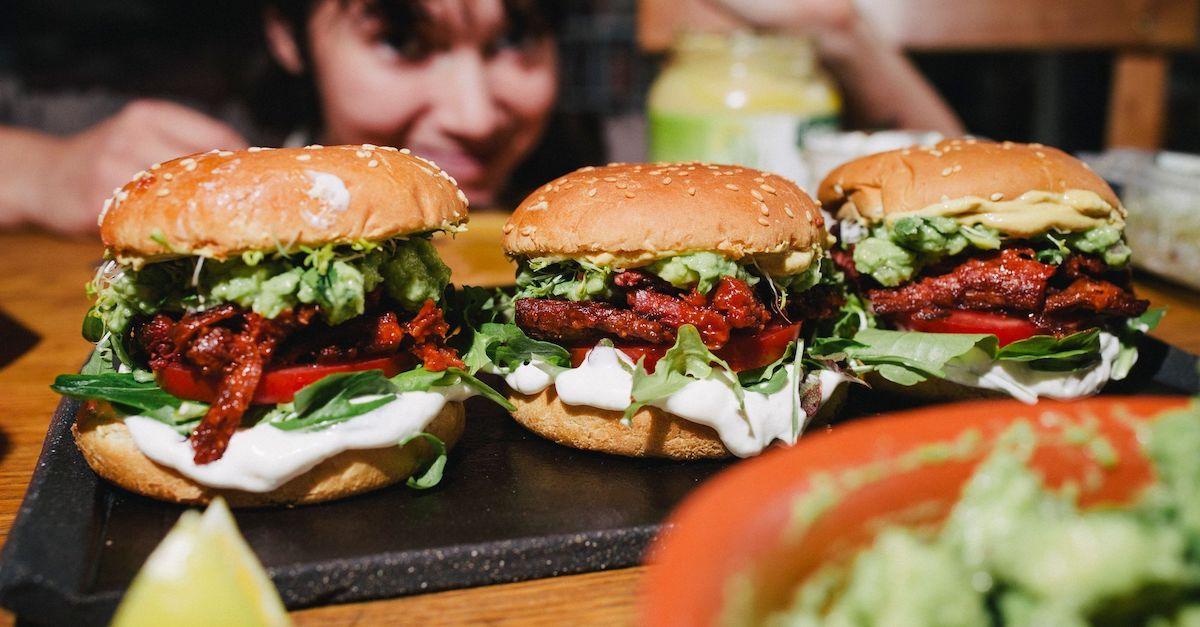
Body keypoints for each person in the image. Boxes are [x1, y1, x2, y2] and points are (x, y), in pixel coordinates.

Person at [0, 0, 958, 235]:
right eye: (405, 41)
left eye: (512, 43)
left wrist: (844, 35)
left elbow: (961, 184)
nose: (472, 112)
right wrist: (41, 168)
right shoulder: (197, 143)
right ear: (288, 34)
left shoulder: (611, 168)